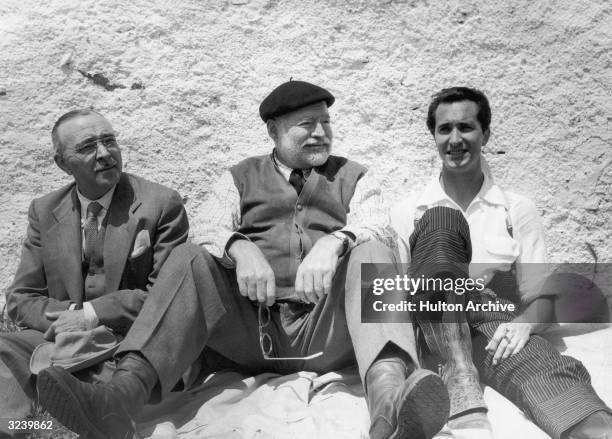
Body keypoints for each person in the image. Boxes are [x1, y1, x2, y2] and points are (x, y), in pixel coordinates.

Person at [36, 80, 450, 439]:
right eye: (306, 124)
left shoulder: (356, 176)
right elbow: (209, 228)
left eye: (326, 122)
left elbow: (379, 228)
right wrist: (240, 247)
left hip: (327, 332)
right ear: (273, 130)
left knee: (374, 253)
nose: (320, 133)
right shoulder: (238, 177)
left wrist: (335, 242)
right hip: (252, 332)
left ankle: (390, 407)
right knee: (190, 257)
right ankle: (119, 401)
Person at [390, 87, 612, 439]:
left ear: (486, 134)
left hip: (492, 327)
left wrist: (525, 324)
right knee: (442, 222)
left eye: (466, 127)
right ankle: (457, 375)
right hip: (433, 332)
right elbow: (397, 294)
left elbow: (538, 293)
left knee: (551, 372)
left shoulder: (516, 209)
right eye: (444, 129)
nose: (455, 139)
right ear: (433, 136)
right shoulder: (410, 210)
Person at [0, 109, 189, 436]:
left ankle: (96, 401)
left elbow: (165, 297)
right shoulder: (44, 211)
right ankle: (16, 428)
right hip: (62, 336)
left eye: (109, 141)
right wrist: (70, 319)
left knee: (121, 370)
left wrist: (92, 314)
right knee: (5, 347)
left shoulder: (161, 204)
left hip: (129, 340)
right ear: (62, 163)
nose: (105, 154)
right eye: (88, 147)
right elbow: (21, 297)